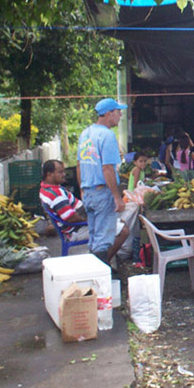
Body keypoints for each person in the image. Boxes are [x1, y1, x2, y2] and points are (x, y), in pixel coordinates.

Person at [41, 160, 130, 260]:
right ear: (49, 174)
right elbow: (70, 217)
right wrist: (92, 221)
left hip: (79, 222)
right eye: (60, 172)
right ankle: (102, 263)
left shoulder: (45, 188)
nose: (64, 174)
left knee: (119, 221)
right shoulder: (56, 194)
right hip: (75, 230)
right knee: (124, 230)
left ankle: (103, 257)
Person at [77, 97, 129, 264]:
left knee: (94, 237)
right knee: (103, 241)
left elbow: (79, 165)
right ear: (108, 113)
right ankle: (101, 282)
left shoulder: (85, 133)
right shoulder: (107, 135)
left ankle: (93, 275)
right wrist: (116, 197)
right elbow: (107, 169)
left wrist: (82, 190)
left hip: (89, 192)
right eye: (118, 112)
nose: (120, 115)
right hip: (102, 192)